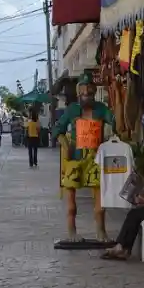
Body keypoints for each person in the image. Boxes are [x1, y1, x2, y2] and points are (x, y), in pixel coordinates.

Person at [53, 73, 115, 244]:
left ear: (94, 92)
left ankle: (101, 231)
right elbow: (57, 129)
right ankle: (72, 231)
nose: (87, 95)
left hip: (96, 158)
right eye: (84, 92)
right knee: (71, 199)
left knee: (100, 198)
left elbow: (117, 123)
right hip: (75, 158)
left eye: (90, 92)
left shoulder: (101, 109)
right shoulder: (72, 109)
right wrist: (65, 144)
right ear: (79, 92)